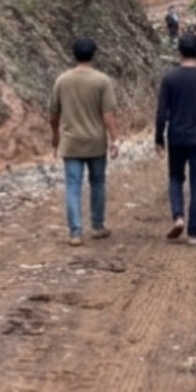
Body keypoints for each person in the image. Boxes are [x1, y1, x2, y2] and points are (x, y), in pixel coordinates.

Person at [49, 37, 118, 247]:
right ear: (93, 55)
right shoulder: (102, 81)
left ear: (74, 54)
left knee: (72, 185)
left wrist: (55, 135)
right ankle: (97, 226)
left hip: (71, 142)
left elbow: (54, 113)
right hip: (95, 142)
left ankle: (75, 232)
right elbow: (108, 114)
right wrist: (115, 139)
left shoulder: (62, 80)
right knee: (97, 183)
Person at [155, 33, 196, 246]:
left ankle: (178, 217)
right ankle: (194, 233)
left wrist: (159, 138)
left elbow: (161, 112)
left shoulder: (170, 78)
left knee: (176, 178)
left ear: (179, 52)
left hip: (176, 136)